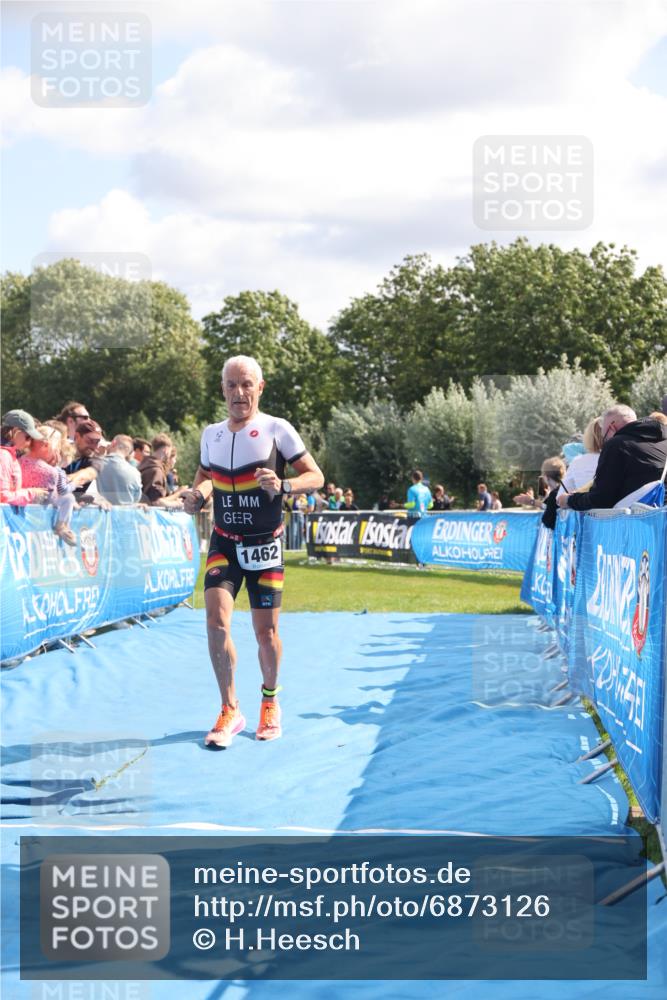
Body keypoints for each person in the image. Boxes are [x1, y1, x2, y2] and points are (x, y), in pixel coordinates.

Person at [181, 355, 324, 749]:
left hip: (264, 544)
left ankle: (270, 700)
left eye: (247, 384)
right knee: (216, 622)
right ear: (222, 389)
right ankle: (230, 709)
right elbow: (206, 477)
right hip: (225, 541)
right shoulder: (212, 433)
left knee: (267, 632)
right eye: (231, 385)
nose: (239, 392)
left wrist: (284, 485)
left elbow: (316, 476)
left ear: (260, 388)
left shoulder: (277, 429)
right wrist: (197, 496)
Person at [557, 405, 667, 511]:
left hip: (629, 524)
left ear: (611, 428)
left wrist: (569, 500)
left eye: (604, 437)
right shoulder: (663, 442)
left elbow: (601, 499)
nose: (605, 442)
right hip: (660, 520)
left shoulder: (617, 444)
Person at [19, 424, 77, 545]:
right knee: (69, 498)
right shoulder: (50, 472)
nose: (57, 452)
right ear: (46, 445)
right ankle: (61, 526)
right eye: (57, 448)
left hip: (17, 514)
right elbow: (48, 501)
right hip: (36, 525)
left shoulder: (17, 462)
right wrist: (57, 470)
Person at [0, 410, 49, 506]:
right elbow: (3, 496)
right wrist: (31, 493)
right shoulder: (4, 455)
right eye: (28, 437)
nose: (29, 443)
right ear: (15, 431)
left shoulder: (8, 454)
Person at [95, 434, 143, 505]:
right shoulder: (135, 472)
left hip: (101, 512)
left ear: (113, 443)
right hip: (126, 514)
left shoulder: (96, 464)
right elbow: (136, 498)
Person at [139, 433, 172, 504]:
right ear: (166, 450)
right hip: (150, 512)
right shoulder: (156, 470)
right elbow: (156, 501)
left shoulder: (143, 464)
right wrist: (179, 493)